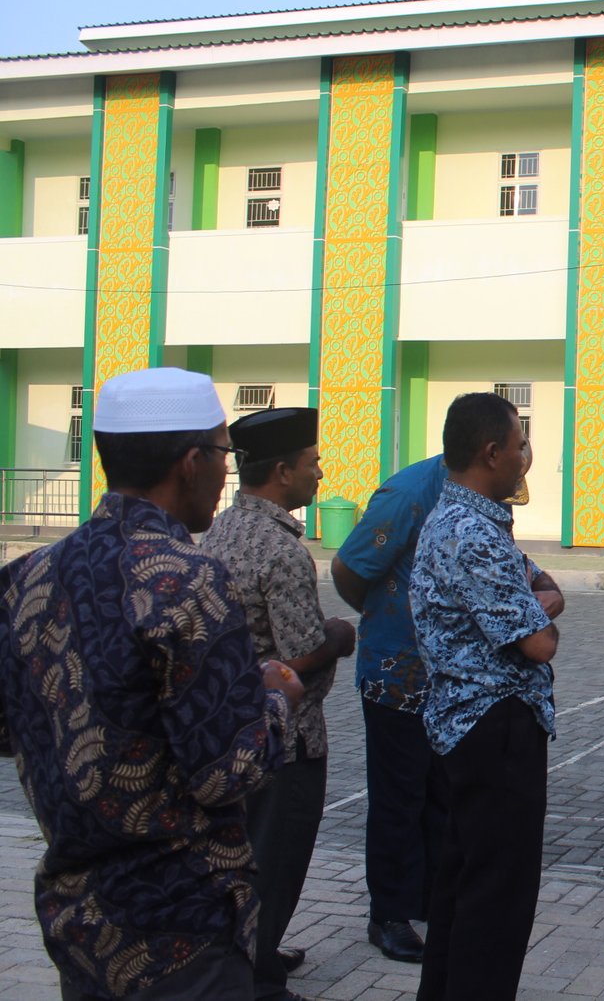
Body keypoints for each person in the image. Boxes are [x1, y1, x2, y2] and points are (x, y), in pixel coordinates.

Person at [0, 367, 303, 1001]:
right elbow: (229, 771)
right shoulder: (187, 579)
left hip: (79, 919)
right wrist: (275, 695)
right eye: (225, 454)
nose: (228, 472)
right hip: (181, 928)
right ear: (191, 462)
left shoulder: (25, 577)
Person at [410, 392, 564, 1001]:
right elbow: (540, 642)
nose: (527, 458)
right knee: (496, 896)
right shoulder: (470, 533)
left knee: (463, 879)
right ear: (492, 452)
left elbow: (542, 587)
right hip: (492, 729)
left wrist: (537, 603)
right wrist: (539, 612)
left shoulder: (476, 524)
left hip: (476, 728)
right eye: (521, 446)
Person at [202, 407, 356, 1000]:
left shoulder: (222, 529)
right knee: (278, 859)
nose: (320, 476)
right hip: (285, 738)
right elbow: (303, 651)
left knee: (238, 858)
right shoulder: (281, 549)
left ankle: (246, 950)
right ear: (282, 471)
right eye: (313, 465)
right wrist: (340, 636)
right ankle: (260, 975)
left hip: (227, 725)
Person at [331, 453, 449, 963]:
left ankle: (426, 896)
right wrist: (387, 619)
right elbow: (349, 569)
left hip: (450, 679)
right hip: (397, 674)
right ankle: (389, 915)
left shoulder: (478, 493)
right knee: (397, 798)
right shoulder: (408, 495)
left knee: (441, 794)